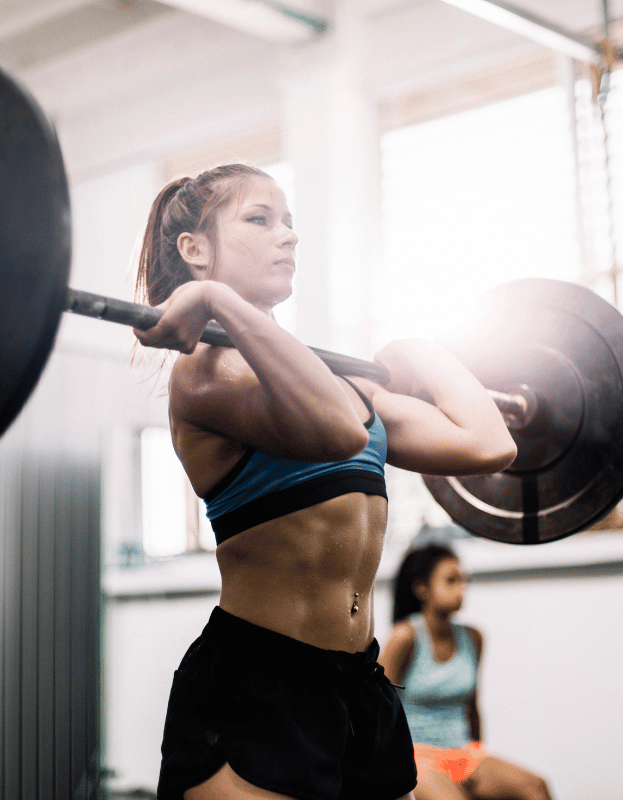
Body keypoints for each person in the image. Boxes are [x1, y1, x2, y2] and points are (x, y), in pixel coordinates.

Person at [133, 163, 517, 800]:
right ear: (195, 250)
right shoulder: (204, 376)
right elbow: (336, 433)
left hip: (358, 684)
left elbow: (489, 443)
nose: (287, 236)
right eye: (260, 219)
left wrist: (416, 349)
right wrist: (217, 302)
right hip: (259, 681)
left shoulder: (338, 384)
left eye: (289, 222)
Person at [379, 543, 554, 800]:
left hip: (463, 753)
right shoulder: (405, 637)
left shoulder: (473, 637)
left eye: (464, 580)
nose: (462, 589)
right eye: (451, 580)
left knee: (536, 788)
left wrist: (479, 754)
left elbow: (472, 707)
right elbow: (379, 711)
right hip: (417, 755)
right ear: (421, 588)